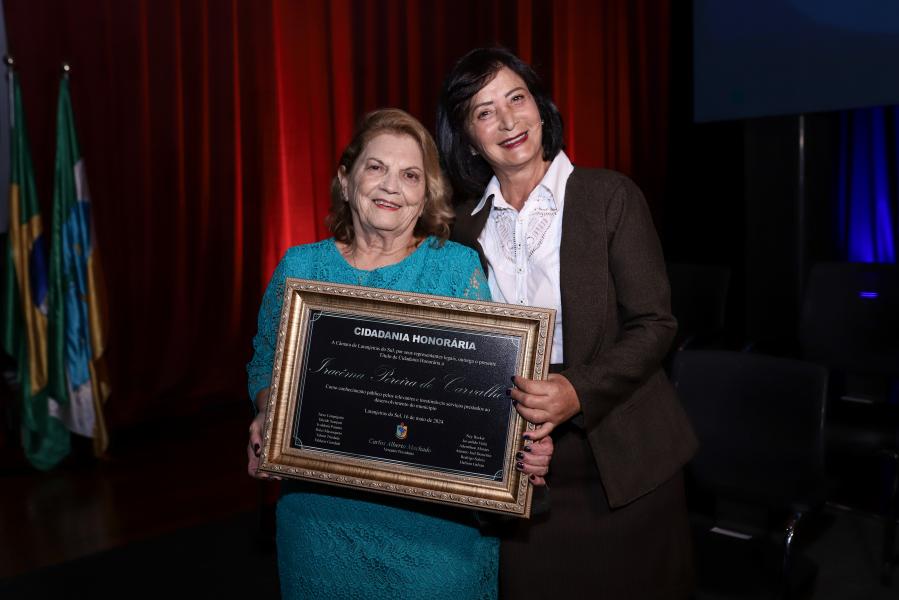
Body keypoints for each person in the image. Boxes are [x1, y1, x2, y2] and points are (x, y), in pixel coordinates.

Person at [246, 108, 552, 599]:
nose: (391, 186)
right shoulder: (299, 267)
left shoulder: (456, 270)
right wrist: (269, 411)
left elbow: (489, 392)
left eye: (410, 175)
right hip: (319, 524)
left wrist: (521, 443)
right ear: (346, 180)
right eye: (375, 167)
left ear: (426, 194)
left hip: (433, 536)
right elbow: (266, 359)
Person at [437, 48, 698, 598]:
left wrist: (576, 390)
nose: (508, 120)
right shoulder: (460, 228)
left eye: (517, 98)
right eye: (484, 111)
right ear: (468, 138)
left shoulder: (609, 196)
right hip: (522, 464)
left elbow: (655, 324)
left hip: (624, 459)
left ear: (540, 107)